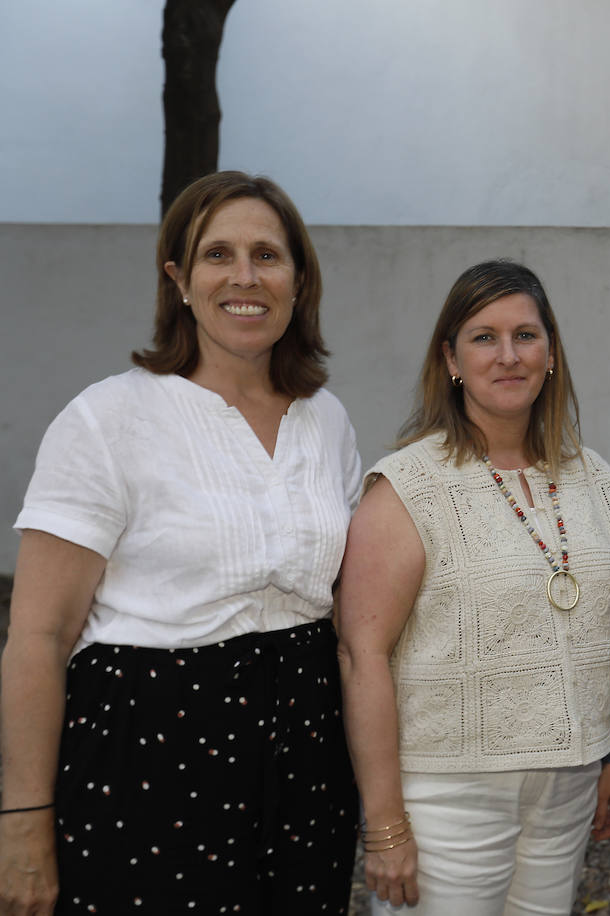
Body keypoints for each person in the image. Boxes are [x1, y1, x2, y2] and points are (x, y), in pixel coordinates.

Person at [0, 171, 362, 914]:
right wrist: (23, 818)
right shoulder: (107, 419)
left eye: (267, 255)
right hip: (148, 756)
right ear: (178, 278)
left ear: (299, 278)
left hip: (307, 761)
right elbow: (37, 636)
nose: (245, 277)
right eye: (217, 255)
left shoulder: (326, 422)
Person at [337, 259, 610, 915]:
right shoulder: (408, 487)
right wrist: (384, 825)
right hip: (449, 792)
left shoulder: (593, 478)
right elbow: (362, 654)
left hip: (570, 786)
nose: (508, 355)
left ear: (551, 352)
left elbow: (607, 624)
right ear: (451, 358)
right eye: (484, 337)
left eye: (526, 335)